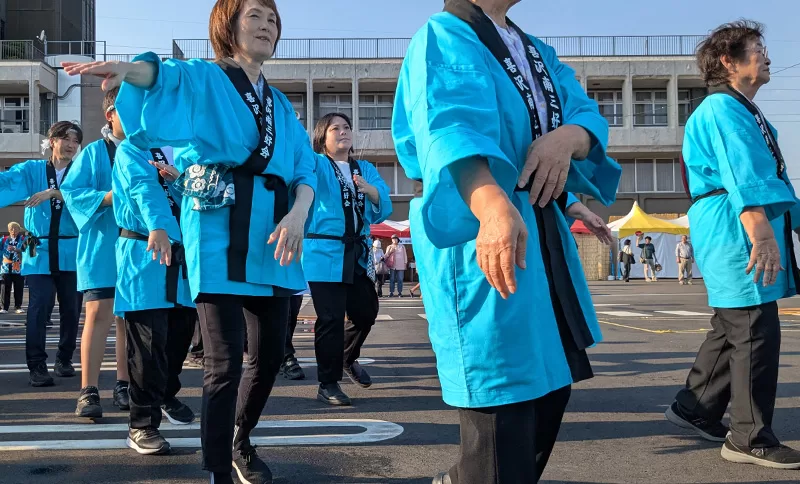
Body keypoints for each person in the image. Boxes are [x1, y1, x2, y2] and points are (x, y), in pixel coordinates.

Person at [63, 0, 317, 480]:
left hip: (274, 235)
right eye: (255, 17)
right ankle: (218, 467)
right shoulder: (206, 77)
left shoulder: (281, 104)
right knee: (223, 363)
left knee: (267, 358)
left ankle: (242, 437)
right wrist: (129, 70)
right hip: (219, 229)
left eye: (273, 19)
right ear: (227, 26)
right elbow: (166, 77)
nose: (267, 26)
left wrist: (299, 214)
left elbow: (304, 166)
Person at [392, 0, 620, 482]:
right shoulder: (445, 33)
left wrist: (569, 138)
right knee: (504, 403)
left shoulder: (537, 51)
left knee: (551, 386)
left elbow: (585, 113)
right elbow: (450, 125)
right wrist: (493, 205)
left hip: (538, 225)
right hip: (482, 215)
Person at [666, 20, 800, 469]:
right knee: (754, 328)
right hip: (734, 223)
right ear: (729, 60)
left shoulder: (741, 109)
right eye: (757, 48)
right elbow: (744, 175)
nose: (766, 56)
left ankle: (695, 408)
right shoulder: (723, 109)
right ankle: (749, 437)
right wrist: (761, 233)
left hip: (733, 218)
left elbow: (771, 179)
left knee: (732, 324)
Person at [113, 140, 196, 455]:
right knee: (147, 347)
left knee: (178, 341)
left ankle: (164, 395)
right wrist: (158, 226)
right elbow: (142, 189)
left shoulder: (189, 149)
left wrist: (180, 182)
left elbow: (200, 197)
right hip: (145, 255)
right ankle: (141, 425)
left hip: (183, 262)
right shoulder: (133, 148)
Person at [304, 113, 392, 405]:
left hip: (357, 252)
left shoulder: (364, 167)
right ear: (322, 136)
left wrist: (372, 191)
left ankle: (346, 357)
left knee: (366, 312)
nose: (343, 132)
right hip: (323, 251)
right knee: (329, 319)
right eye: (335, 128)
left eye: (347, 127)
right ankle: (327, 383)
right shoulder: (315, 163)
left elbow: (384, 203)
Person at [61, 87, 131, 418]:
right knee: (98, 313)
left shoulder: (144, 150)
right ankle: (88, 390)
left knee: (128, 319)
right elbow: (72, 192)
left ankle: (124, 384)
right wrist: (109, 197)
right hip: (101, 246)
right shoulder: (93, 152)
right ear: (110, 115)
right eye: (127, 107)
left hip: (136, 248)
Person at [0, 121, 83, 387]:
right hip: (39, 251)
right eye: (66, 139)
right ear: (52, 140)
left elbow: (91, 197)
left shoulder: (82, 171)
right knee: (38, 308)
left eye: (75, 141)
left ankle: (64, 358)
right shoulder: (32, 169)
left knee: (72, 309)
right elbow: (6, 182)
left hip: (72, 250)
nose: (71, 145)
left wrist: (57, 192)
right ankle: (36, 365)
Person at [0, 222, 26, 313]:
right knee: (4, 287)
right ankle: (4, 307)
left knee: (19, 287)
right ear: (8, 230)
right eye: (11, 229)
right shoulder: (3, 240)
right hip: (5, 268)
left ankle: (18, 306)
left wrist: (17, 250)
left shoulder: (23, 239)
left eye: (15, 229)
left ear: (19, 230)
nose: (13, 231)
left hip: (18, 268)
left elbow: (26, 251)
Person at [279, 293, 305, 380]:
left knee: (293, 309)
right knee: (283, 312)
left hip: (295, 282)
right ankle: (286, 356)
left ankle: (281, 356)